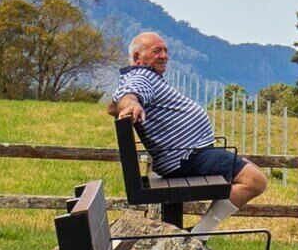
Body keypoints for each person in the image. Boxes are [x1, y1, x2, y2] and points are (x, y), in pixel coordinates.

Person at [106, 32, 271, 209]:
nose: (164, 56)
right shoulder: (141, 77)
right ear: (138, 57)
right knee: (255, 181)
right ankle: (201, 233)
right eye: (156, 51)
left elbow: (114, 104)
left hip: (188, 156)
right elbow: (130, 94)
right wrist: (130, 104)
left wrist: (120, 105)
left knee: (251, 167)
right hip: (185, 159)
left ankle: (199, 231)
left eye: (165, 50)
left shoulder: (144, 76)